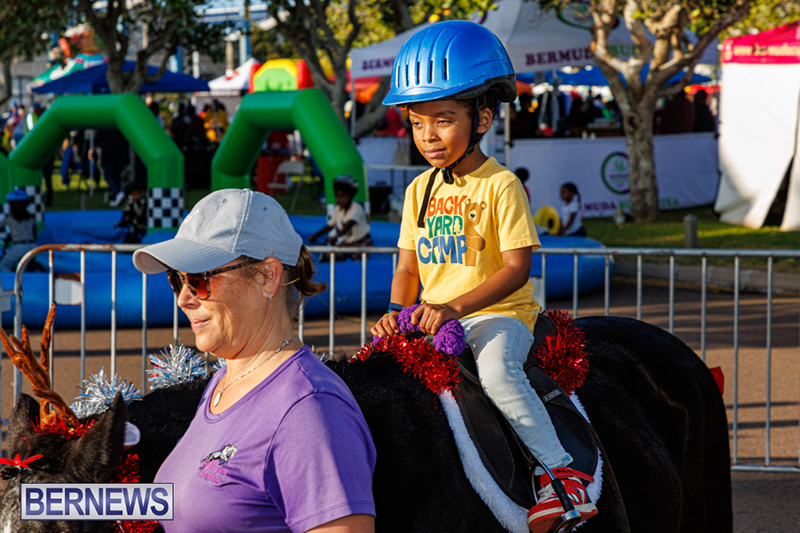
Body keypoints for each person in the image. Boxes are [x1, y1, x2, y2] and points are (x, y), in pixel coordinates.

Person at [370, 21, 597, 533]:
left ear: (483, 117)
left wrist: (454, 308)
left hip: (499, 317)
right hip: (432, 321)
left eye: (444, 120)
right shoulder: (417, 191)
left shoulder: (502, 185)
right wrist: (392, 313)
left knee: (496, 374)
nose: (429, 136)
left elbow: (517, 270)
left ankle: (561, 476)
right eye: (417, 122)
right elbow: (408, 266)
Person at [132, 189, 376, 533]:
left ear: (267, 276)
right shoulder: (227, 380)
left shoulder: (309, 410)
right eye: (177, 280)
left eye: (200, 279)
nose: (183, 299)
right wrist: (57, 499)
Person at [308, 175, 373, 257]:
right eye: (337, 197)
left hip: (362, 241)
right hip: (348, 242)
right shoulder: (338, 209)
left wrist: (336, 236)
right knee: (329, 256)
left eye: (343, 197)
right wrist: (315, 235)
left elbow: (348, 225)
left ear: (351, 196)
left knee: (357, 258)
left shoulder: (356, 207)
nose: (340, 200)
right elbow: (330, 226)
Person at [0, 188, 37, 271]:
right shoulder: (30, 218)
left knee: (3, 265)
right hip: (32, 246)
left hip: (18, 247)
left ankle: (13, 281)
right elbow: (34, 233)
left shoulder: (10, 218)